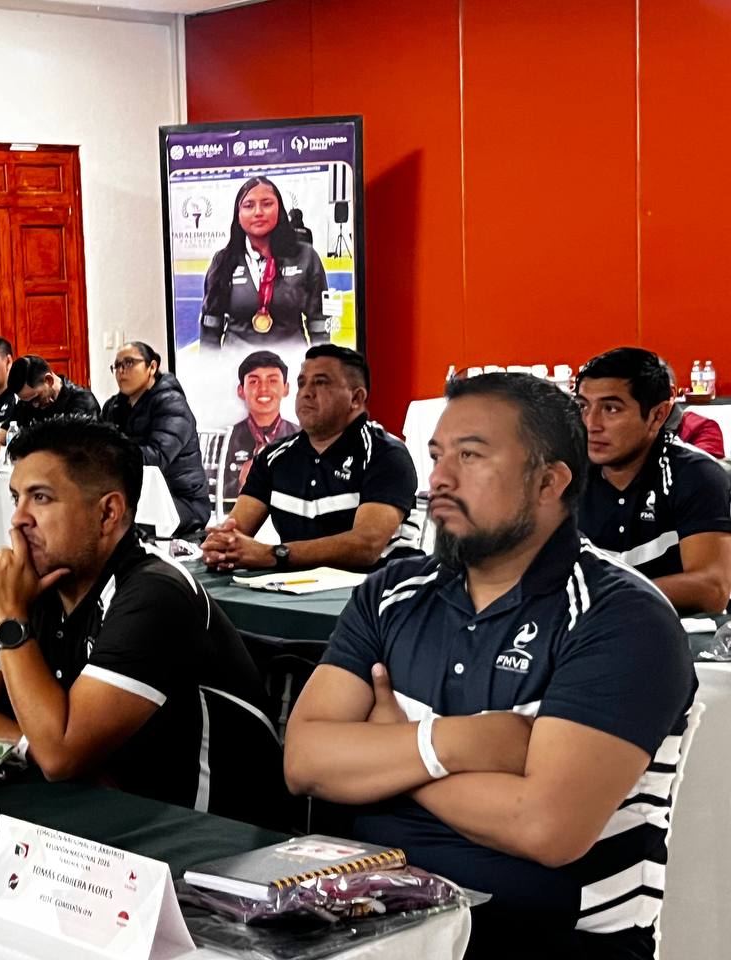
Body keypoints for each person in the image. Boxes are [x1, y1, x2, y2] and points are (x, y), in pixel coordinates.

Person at [284, 373, 696, 957]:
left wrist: (397, 749)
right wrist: (455, 744)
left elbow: (546, 827)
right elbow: (304, 760)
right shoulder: (391, 594)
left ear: (549, 481)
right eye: (437, 456)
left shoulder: (621, 616)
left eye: (471, 456)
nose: (439, 480)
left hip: (547, 940)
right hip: (370, 921)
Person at [0, 417, 283, 824]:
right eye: (16, 499)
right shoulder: (28, 580)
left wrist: (9, 620)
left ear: (107, 513)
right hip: (109, 816)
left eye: (41, 498)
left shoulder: (156, 592)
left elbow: (60, 755)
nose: (18, 520)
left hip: (211, 835)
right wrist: (32, 746)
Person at [202, 345, 419, 572]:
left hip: (380, 586)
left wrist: (273, 554)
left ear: (356, 398)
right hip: (293, 586)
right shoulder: (273, 457)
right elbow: (235, 530)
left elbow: (365, 546)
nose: (306, 392)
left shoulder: (385, 454)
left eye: (321, 383)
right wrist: (221, 546)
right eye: (302, 383)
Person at [576, 347, 731, 614]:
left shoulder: (695, 474)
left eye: (611, 409)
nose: (591, 424)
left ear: (658, 415)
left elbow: (711, 589)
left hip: (676, 630)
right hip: (587, 629)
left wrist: (600, 597)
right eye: (583, 406)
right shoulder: (565, 474)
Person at [200, 176, 328, 350]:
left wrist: (322, 361)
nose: (258, 212)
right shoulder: (223, 260)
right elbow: (211, 326)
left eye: (267, 204)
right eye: (248, 206)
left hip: (292, 360)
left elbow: (319, 321)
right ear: (238, 215)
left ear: (280, 210)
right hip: (236, 363)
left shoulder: (306, 256)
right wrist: (208, 364)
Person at [100, 341, 210, 535]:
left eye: (129, 363)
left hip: (180, 501)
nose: (121, 371)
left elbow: (156, 457)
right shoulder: (114, 407)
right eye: (117, 366)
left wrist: (110, 454)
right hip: (136, 496)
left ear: (152, 367)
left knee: (115, 520)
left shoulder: (172, 404)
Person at [0, 354, 100, 459]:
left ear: (48, 380)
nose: (35, 405)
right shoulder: (27, 403)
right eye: (27, 401)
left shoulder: (82, 402)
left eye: (36, 398)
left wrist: (0, 451)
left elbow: (70, 456)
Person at [219, 349, 299, 507]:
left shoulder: (303, 437)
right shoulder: (223, 440)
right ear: (241, 390)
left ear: (286, 388)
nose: (263, 389)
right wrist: (240, 483)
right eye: (254, 382)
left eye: (272, 381)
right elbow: (207, 493)